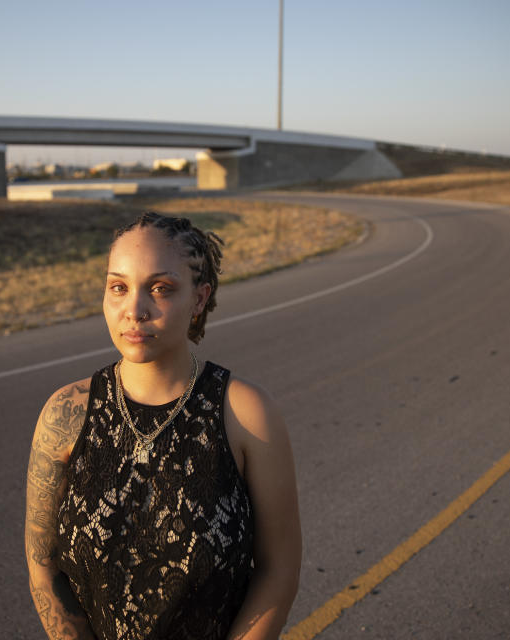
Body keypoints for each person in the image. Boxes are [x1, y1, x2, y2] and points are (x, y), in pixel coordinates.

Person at [25, 212, 302, 639]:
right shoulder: (65, 414)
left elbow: (278, 571)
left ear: (198, 298)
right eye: (118, 287)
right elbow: (43, 569)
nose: (134, 310)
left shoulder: (246, 414)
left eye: (160, 288)